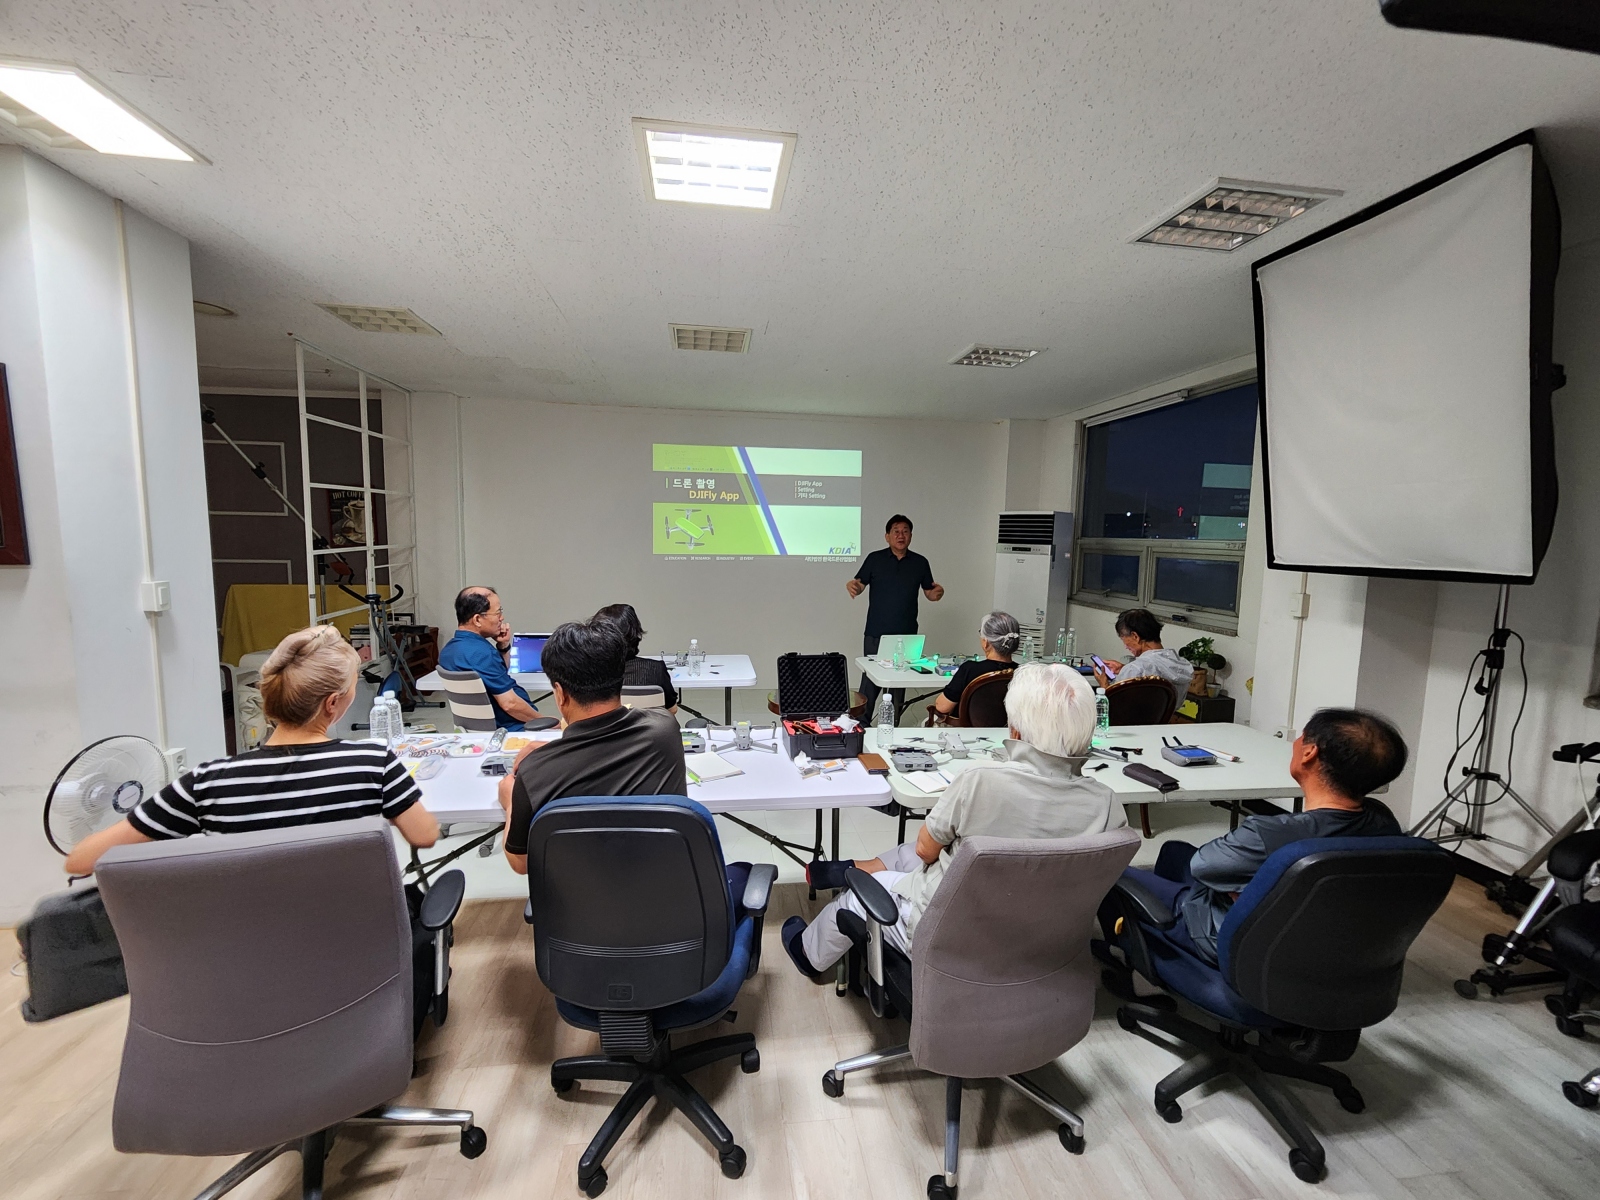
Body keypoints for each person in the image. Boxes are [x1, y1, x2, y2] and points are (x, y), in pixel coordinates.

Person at [63, 625, 445, 1032]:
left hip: (246, 970)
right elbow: (424, 835)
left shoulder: (208, 782)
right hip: (361, 955)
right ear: (333, 704)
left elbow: (80, 860)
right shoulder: (371, 762)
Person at [782, 662, 1128, 981]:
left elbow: (927, 850)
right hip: (1044, 940)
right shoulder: (1107, 803)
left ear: (1016, 730)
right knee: (911, 852)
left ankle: (807, 953)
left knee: (858, 895)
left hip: (953, 933)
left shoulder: (980, 781)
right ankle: (854, 868)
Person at [1110, 707, 1407, 966]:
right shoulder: (1383, 821)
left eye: (1302, 737)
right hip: (1323, 943)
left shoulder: (1269, 835)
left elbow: (1202, 866)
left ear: (1309, 753)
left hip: (1234, 942)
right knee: (1174, 852)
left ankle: (1148, 941)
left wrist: (1247, 890)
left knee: (1110, 871)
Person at [497, 616, 687, 874]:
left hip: (580, 897)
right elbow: (602, 745)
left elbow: (521, 863)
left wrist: (510, 801)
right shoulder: (664, 730)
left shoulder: (534, 773)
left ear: (560, 693)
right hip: (665, 888)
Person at [848, 514, 945, 709]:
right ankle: (862, 722)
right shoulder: (875, 559)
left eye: (905, 531)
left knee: (899, 682)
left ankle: (893, 722)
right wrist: (853, 587)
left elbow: (929, 592)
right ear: (887, 536)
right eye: (896, 531)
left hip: (907, 634)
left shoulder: (920, 562)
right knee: (870, 681)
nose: (901, 535)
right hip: (876, 632)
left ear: (911, 536)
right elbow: (860, 584)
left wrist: (937, 593)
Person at [437, 585, 543, 730]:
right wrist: (546, 721)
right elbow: (510, 704)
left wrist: (503, 646)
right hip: (512, 728)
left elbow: (497, 673)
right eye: (498, 612)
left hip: (479, 729)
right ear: (477, 619)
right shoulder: (481, 654)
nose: (502, 618)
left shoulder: (449, 651)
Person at [928, 610, 1020, 723]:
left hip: (967, 732)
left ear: (986, 643)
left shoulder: (969, 669)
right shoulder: (1023, 673)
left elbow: (942, 707)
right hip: (1009, 732)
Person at [1093, 607, 1194, 702]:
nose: (1125, 646)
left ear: (1135, 636)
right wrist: (1124, 669)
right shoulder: (1181, 665)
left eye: (1124, 639)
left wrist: (1104, 684)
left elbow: (1116, 707)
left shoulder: (1136, 669)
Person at [593, 602, 679, 713]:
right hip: (651, 724)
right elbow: (672, 709)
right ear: (635, 633)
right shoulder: (656, 669)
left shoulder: (591, 673)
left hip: (606, 725)